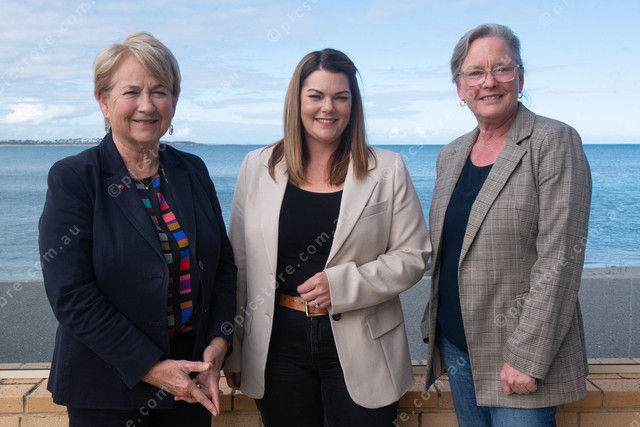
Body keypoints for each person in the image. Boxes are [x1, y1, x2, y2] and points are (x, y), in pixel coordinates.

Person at [224, 48, 431, 427]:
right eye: (316, 95)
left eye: (341, 97)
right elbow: (238, 264)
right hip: (276, 347)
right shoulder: (256, 166)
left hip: (365, 345)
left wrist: (342, 284)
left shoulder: (388, 168)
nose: (328, 107)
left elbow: (413, 255)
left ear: (353, 105)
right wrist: (235, 351)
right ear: (297, 101)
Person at [39, 32, 236, 426]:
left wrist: (219, 343)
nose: (147, 105)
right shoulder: (75, 177)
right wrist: (150, 366)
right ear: (104, 101)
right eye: (131, 92)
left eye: (159, 91)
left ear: (173, 101)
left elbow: (223, 268)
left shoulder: (192, 170)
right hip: (107, 388)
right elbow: (71, 295)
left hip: (190, 382)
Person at [420, 24, 592, 426]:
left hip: (518, 359)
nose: (489, 82)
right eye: (475, 72)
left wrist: (526, 356)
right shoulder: (451, 155)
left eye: (501, 68)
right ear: (460, 88)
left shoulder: (553, 141)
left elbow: (561, 260)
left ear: (520, 78)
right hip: (459, 349)